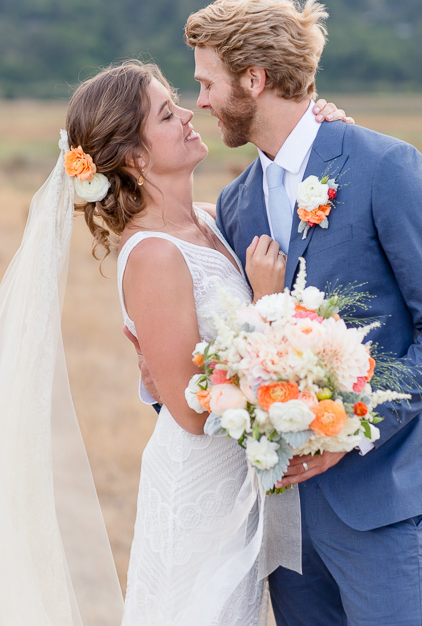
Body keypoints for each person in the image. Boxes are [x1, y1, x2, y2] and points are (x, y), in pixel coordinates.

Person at [0, 59, 344, 625]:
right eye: (167, 113)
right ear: (135, 157)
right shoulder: (155, 254)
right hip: (198, 493)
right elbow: (187, 407)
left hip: (239, 487)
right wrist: (265, 303)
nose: (189, 114)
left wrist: (319, 124)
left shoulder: (210, 220)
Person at [178, 0, 422, 626]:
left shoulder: (387, 167)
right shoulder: (237, 203)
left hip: (384, 499)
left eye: (207, 82)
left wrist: (347, 427)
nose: (202, 101)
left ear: (254, 78)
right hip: (286, 519)